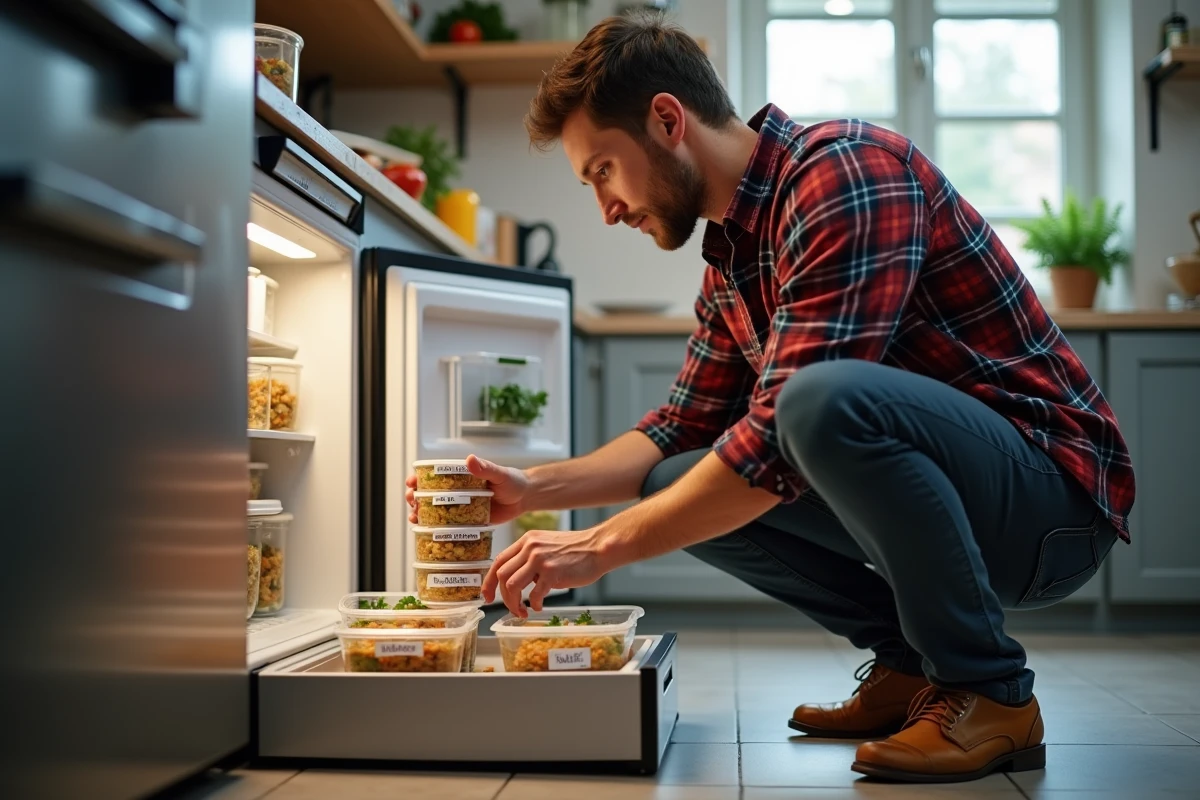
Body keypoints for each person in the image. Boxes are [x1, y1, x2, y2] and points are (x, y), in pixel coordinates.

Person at [404, 11, 1134, 785]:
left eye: (603, 171)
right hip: (971, 500)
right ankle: (913, 668)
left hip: (1052, 504)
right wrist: (534, 489)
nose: (606, 208)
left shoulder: (846, 172)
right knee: (672, 479)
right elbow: (680, 426)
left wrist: (597, 547)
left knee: (819, 403)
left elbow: (787, 427)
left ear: (665, 119)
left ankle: (990, 690)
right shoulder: (731, 260)